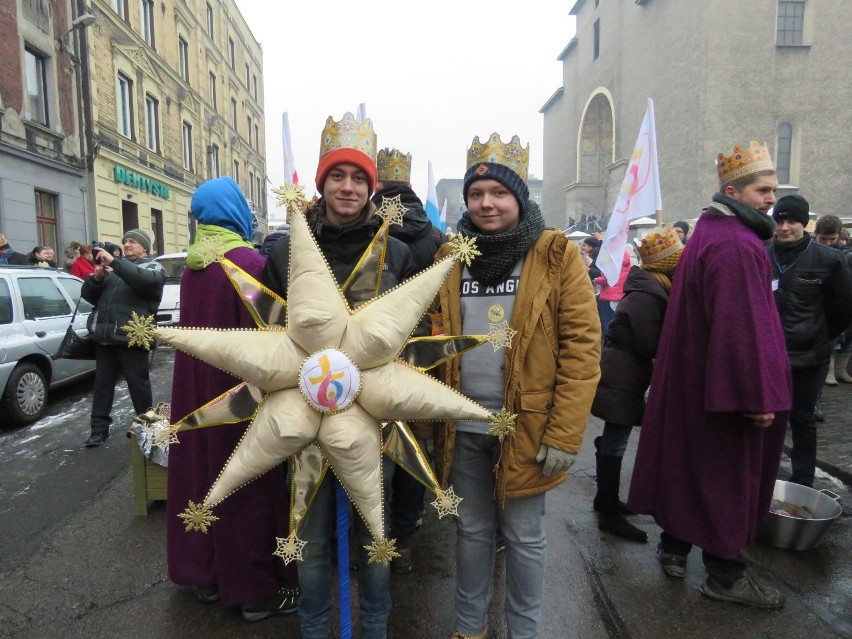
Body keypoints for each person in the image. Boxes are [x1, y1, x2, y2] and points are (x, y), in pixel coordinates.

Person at [431, 133, 600, 639]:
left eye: (498, 193)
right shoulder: (450, 254)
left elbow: (583, 349)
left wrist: (565, 434)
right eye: (476, 194)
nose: (486, 203)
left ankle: (523, 632)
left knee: (525, 537)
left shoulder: (553, 254)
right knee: (471, 530)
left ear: (519, 197)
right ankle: (469, 627)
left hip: (527, 425)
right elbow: (432, 332)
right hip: (463, 422)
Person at [261, 112, 415, 639]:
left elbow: (410, 341)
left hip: (375, 426)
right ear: (321, 181)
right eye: (337, 176)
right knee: (310, 540)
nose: (347, 188)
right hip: (303, 423)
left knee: (376, 540)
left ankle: (374, 628)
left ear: (371, 186)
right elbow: (267, 338)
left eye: (358, 178)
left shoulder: (396, 252)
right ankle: (313, 630)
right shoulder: (283, 252)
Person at [627, 140, 791, 609]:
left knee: (687, 467)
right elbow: (742, 332)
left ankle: (675, 549)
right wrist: (756, 396)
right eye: (763, 190)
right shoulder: (737, 246)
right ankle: (726, 575)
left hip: (695, 384)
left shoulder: (710, 233)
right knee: (725, 479)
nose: (770, 200)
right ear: (733, 190)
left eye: (773, 190)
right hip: (726, 395)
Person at [166, 176, 299, 620]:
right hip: (240, 396)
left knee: (203, 477)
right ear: (237, 211)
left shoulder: (193, 266)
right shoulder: (249, 264)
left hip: (197, 391)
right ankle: (254, 588)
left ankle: (206, 576)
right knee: (248, 487)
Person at [371, 147, 446, 574]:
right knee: (414, 439)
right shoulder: (435, 235)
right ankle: (407, 521)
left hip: (376, 348)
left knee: (373, 438)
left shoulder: (370, 226)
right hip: (422, 348)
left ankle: (373, 525)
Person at [590, 227, 684, 543]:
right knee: (616, 440)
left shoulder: (651, 287)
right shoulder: (647, 295)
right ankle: (609, 514)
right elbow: (648, 342)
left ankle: (606, 500)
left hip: (624, 371)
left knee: (614, 437)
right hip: (622, 373)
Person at [768, 195, 852, 487]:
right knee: (767, 419)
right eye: (779, 220)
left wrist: (818, 336)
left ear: (804, 223)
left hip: (808, 357)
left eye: (791, 221)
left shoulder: (828, 259)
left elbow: (842, 308)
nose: (785, 227)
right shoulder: (764, 255)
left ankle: (802, 481)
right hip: (768, 355)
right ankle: (765, 476)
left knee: (802, 421)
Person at [80, 229, 165, 447]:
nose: (127, 245)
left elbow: (144, 281)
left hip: (133, 338)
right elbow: (88, 295)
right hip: (106, 338)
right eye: (125, 241)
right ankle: (98, 430)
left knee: (138, 385)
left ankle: (147, 427)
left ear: (144, 247)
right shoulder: (113, 270)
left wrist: (115, 263)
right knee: (102, 386)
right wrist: (97, 279)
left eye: (133, 242)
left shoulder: (153, 266)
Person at [813, 214, 852, 384]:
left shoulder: (844, 256)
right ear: (816, 234)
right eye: (823, 239)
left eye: (832, 239)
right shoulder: (808, 253)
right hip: (814, 311)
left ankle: (836, 372)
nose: (828, 243)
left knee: (840, 342)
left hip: (836, 311)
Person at [594, 246, 631, 337]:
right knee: (620, 321)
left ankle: (609, 342)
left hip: (608, 295)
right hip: (622, 295)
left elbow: (607, 279)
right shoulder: (625, 255)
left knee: (607, 322)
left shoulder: (609, 256)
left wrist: (597, 280)